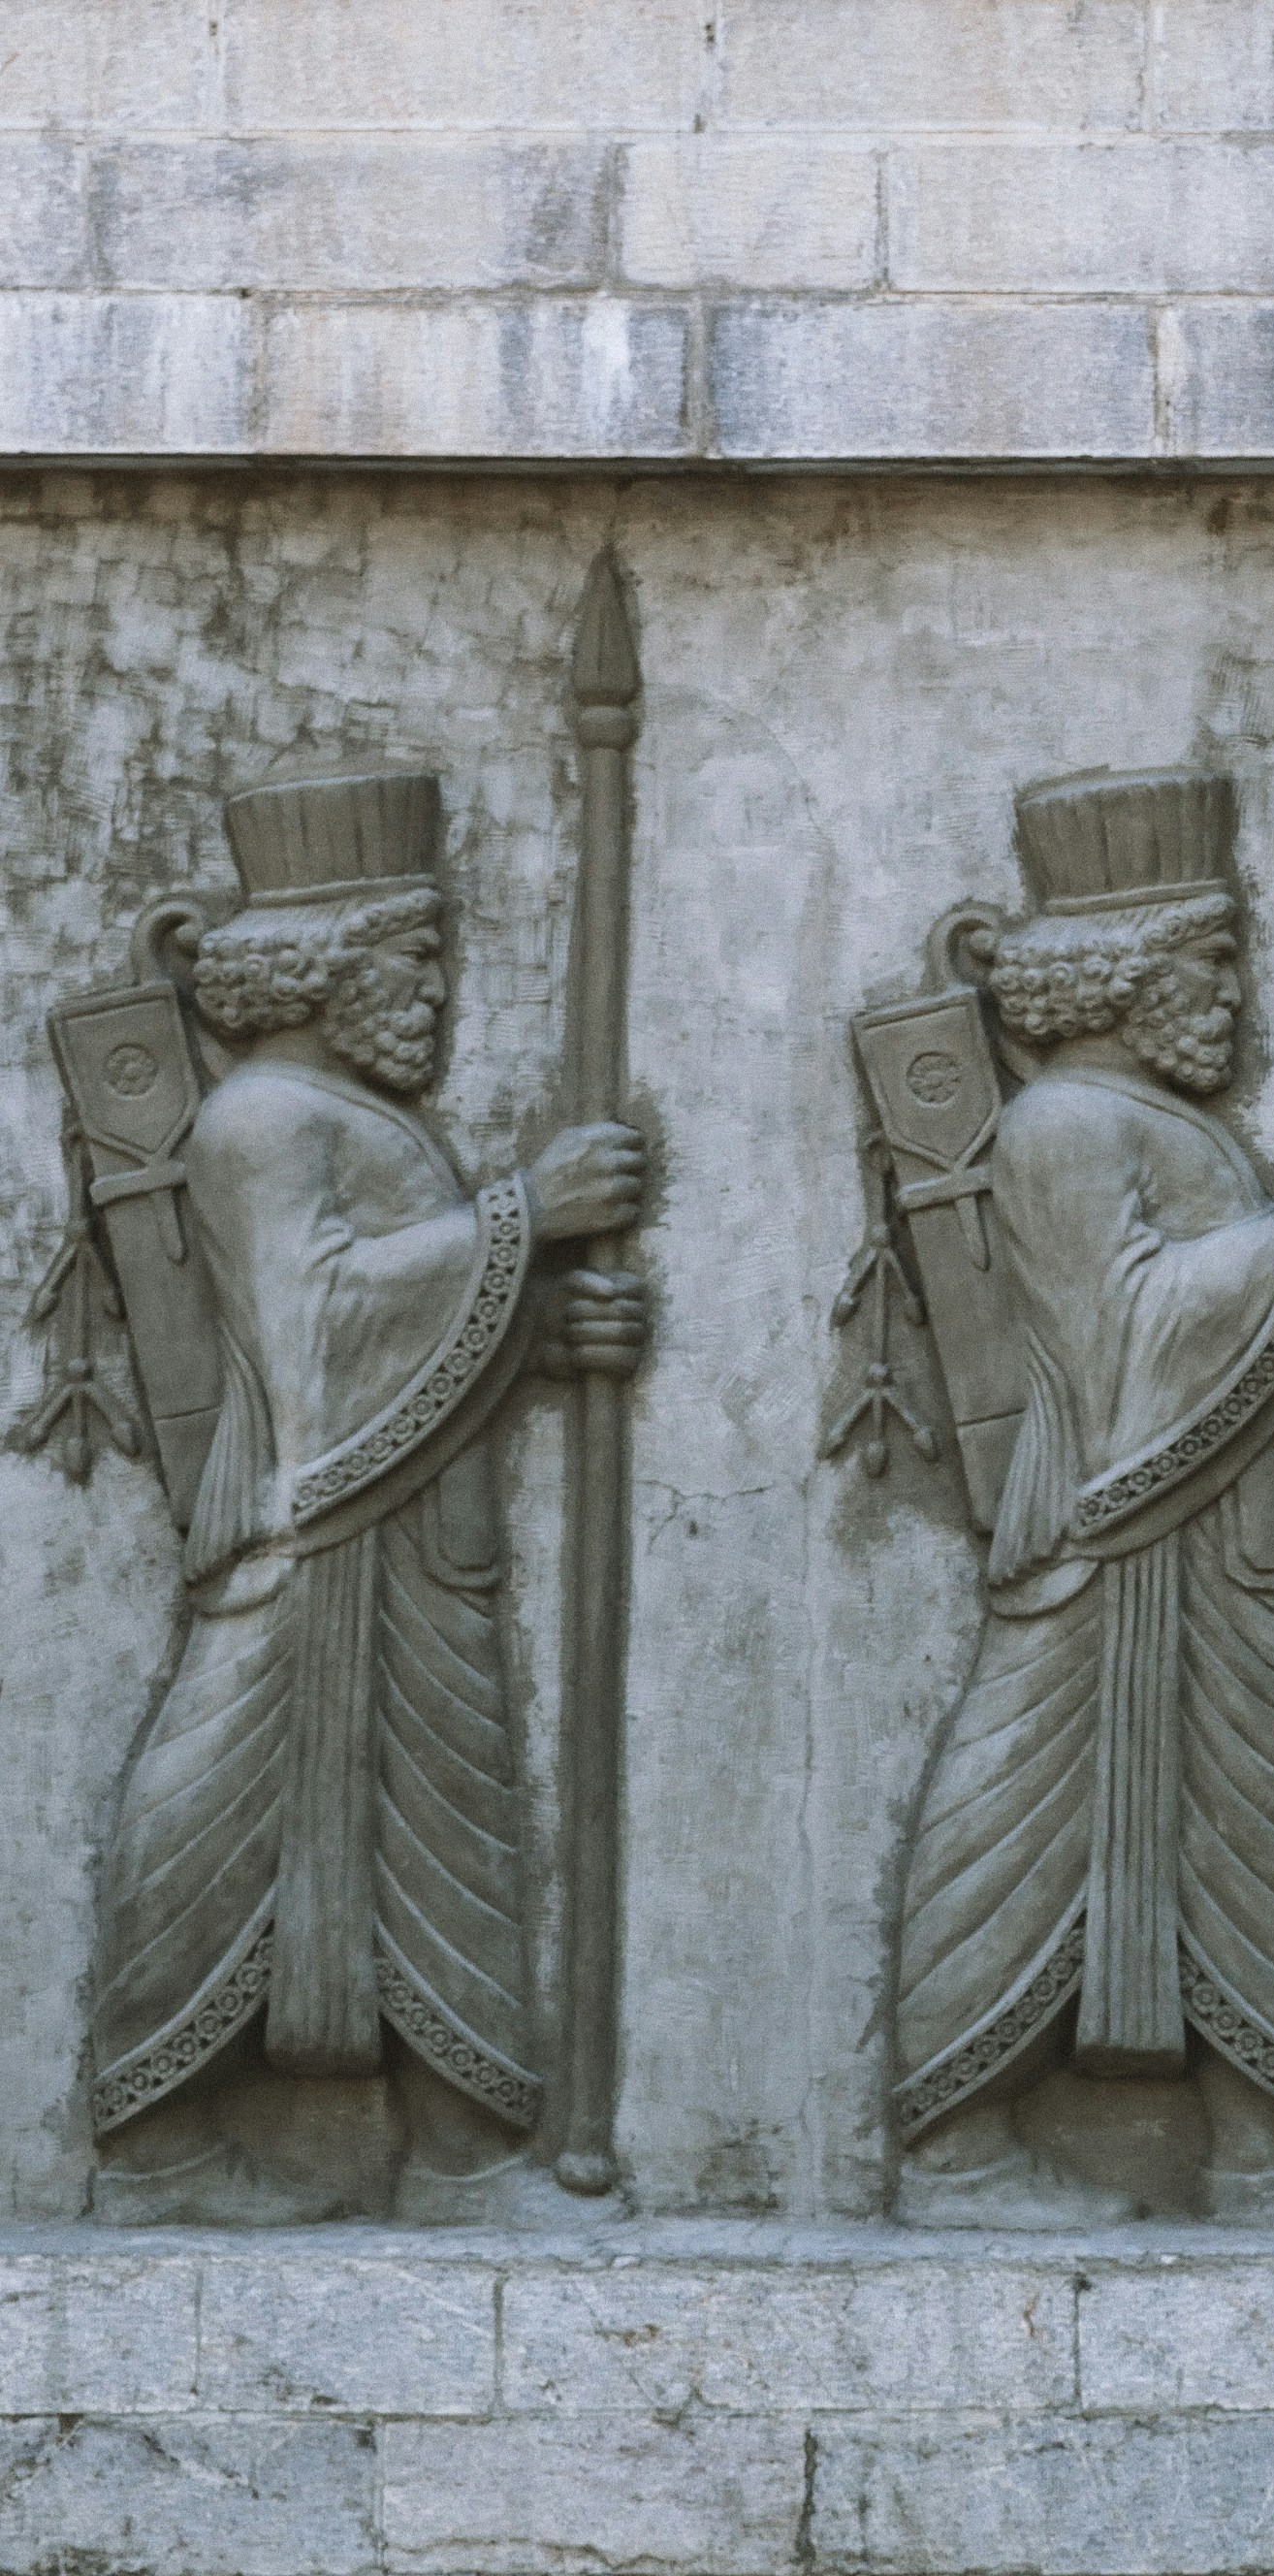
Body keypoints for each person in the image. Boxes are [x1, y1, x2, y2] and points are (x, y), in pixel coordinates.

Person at [90, 766, 648, 2225]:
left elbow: (419, 1334)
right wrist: (525, 1220)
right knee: (211, 1819)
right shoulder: (266, 1120)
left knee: (453, 1831)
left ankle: (467, 2152)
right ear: (328, 968)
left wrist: (539, 1337)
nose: (440, 996)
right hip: (306, 1539)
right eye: (415, 964)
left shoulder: (345, 1113)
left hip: (414, 1545)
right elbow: (322, 1331)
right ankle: (154, 2150)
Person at [888, 768, 1274, 2226]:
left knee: (1238, 1834)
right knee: (1021, 1828)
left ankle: (1262, 2147)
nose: (1236, 1001)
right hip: (1103, 1548)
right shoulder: (1067, 1126)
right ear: (1126, 981)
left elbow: (1219, 1335)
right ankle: (951, 2152)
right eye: (1212, 967)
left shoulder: (1150, 1123)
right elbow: (1127, 1339)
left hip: (1207, 1545)